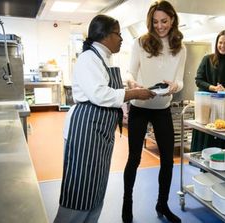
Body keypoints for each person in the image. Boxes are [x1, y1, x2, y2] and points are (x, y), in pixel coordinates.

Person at [54, 14, 155, 223]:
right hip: (86, 130)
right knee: (80, 190)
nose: (121, 39)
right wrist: (135, 94)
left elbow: (107, 89)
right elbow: (99, 94)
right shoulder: (88, 58)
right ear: (105, 35)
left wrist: (130, 87)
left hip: (99, 132)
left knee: (95, 187)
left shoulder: (103, 59)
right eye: (118, 34)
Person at [121, 1, 186, 223]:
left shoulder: (181, 47)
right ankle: (127, 204)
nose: (160, 26)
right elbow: (129, 73)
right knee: (134, 159)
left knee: (168, 161)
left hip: (162, 108)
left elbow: (180, 79)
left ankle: (163, 203)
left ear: (173, 20)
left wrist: (176, 86)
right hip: (139, 107)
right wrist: (132, 84)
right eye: (155, 22)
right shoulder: (140, 43)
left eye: (164, 21)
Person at [190, 30, 225, 152]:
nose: (222, 46)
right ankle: (202, 160)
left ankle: (221, 161)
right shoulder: (207, 59)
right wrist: (213, 88)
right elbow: (198, 80)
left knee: (223, 136)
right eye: (220, 42)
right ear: (216, 43)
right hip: (206, 105)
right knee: (205, 136)